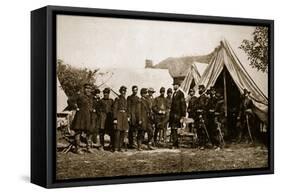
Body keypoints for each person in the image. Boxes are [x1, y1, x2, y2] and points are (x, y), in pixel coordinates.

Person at [70, 83, 94, 154]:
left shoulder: (91, 97)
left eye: (89, 89)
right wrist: (75, 107)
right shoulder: (79, 95)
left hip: (88, 116)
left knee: (89, 131)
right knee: (78, 131)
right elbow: (70, 100)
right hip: (80, 116)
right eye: (86, 88)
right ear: (84, 89)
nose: (88, 90)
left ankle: (88, 147)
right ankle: (78, 148)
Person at [169, 80, 186, 149]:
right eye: (173, 85)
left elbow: (183, 105)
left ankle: (175, 144)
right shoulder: (174, 94)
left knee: (175, 129)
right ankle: (175, 144)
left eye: (175, 85)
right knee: (173, 130)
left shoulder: (181, 93)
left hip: (177, 115)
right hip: (173, 115)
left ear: (178, 86)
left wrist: (183, 115)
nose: (173, 86)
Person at [113, 86, 130, 152]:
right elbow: (115, 109)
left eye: (125, 91)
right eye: (122, 91)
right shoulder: (117, 99)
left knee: (123, 132)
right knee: (117, 132)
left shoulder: (125, 100)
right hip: (119, 115)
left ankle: (120, 147)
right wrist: (115, 118)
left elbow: (127, 109)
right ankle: (116, 148)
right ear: (120, 91)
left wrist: (128, 116)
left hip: (124, 116)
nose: (124, 92)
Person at [196, 84, 209, 150]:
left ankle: (203, 144)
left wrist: (201, 112)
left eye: (201, 89)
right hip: (198, 116)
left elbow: (206, 107)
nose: (199, 90)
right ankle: (200, 144)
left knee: (203, 130)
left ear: (203, 89)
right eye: (199, 89)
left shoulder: (205, 97)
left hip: (204, 116)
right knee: (199, 130)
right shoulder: (199, 98)